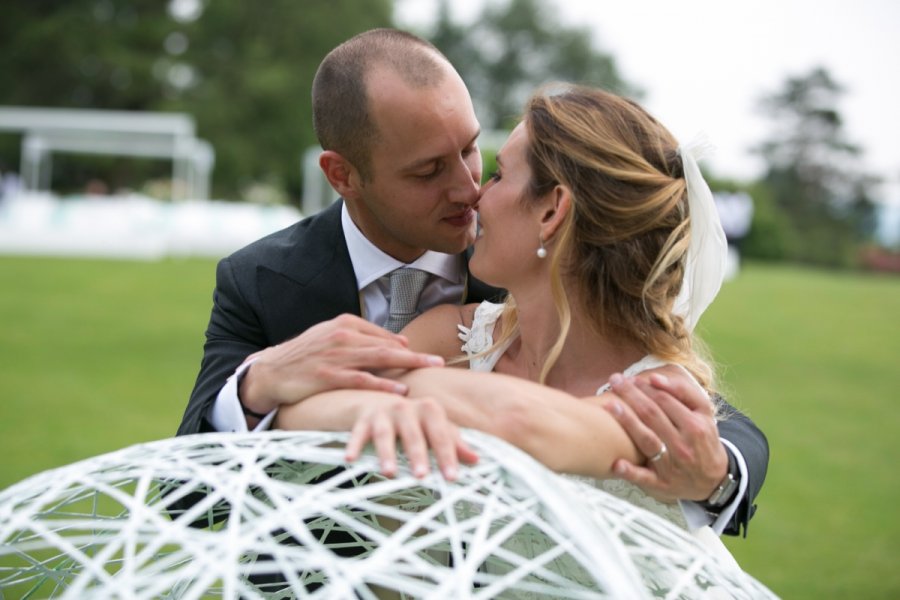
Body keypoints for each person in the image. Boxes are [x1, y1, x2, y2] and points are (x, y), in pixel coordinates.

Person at [177, 29, 767, 537]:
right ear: (343, 175)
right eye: (430, 170)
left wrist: (718, 472)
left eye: (473, 152)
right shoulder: (259, 280)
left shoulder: (527, 286)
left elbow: (709, 427)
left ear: (552, 212)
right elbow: (189, 491)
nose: (468, 190)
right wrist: (258, 385)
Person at [274, 84, 756, 564]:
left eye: (500, 174)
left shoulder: (657, 402)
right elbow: (296, 417)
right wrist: (275, 386)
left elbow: (520, 424)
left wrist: (391, 393)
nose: (476, 196)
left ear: (551, 211)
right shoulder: (454, 336)